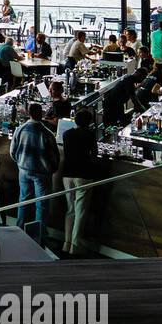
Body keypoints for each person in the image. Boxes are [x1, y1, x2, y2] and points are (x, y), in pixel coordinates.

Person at [10, 103, 59, 231]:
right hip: (42, 173)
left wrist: (21, 163)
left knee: (24, 201)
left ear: (28, 113)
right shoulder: (47, 134)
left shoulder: (20, 129)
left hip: (24, 170)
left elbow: (12, 152)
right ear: (41, 114)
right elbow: (54, 157)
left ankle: (19, 229)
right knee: (41, 205)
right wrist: (51, 170)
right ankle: (39, 235)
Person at [60, 108, 98, 255]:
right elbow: (94, 155)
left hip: (67, 174)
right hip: (84, 175)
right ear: (89, 122)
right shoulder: (89, 135)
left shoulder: (66, 134)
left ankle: (66, 242)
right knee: (80, 211)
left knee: (70, 210)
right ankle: (75, 246)